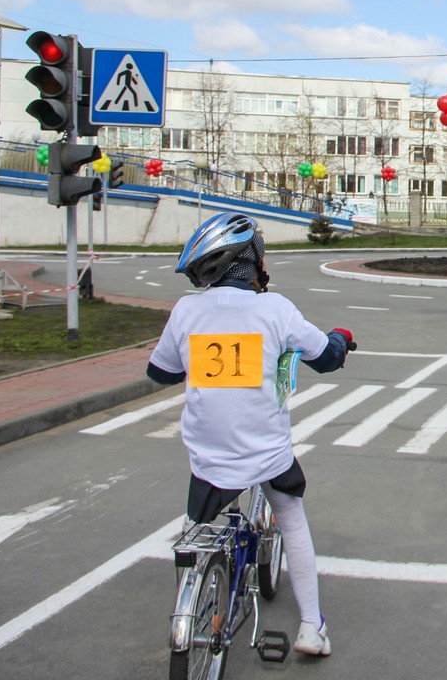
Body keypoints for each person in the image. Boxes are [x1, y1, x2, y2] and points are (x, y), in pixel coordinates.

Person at [146, 212, 353, 657]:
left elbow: (159, 372)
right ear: (249, 262)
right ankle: (311, 628)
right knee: (291, 516)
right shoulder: (275, 309)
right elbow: (326, 356)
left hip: (209, 457)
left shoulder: (187, 311)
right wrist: (340, 338)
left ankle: (197, 590)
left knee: (197, 527)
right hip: (267, 455)